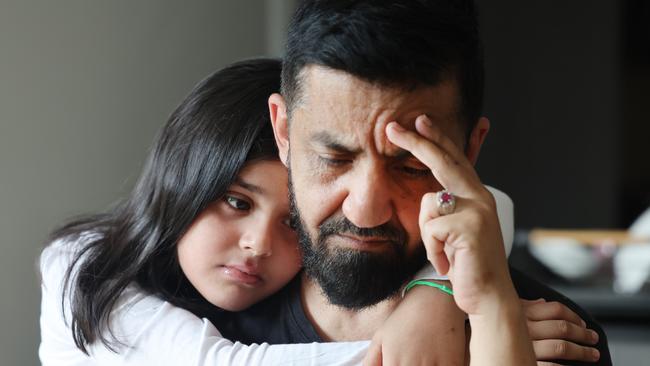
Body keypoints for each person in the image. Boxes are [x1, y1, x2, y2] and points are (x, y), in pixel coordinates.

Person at [217, 1, 613, 365]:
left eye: (410, 167)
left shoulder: (555, 339)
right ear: (283, 131)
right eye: (334, 159)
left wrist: (495, 323)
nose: (365, 210)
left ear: (469, 151)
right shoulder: (208, 322)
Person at [38, 58, 476, 365]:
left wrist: (434, 293)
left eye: (291, 222)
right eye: (237, 202)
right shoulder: (80, 265)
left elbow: (486, 200)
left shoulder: (279, 303)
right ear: (182, 178)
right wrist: (458, 344)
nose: (259, 244)